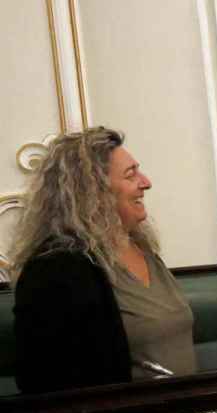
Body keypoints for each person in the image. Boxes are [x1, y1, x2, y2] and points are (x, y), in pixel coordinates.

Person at [12, 127, 197, 391]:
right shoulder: (54, 270)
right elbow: (47, 383)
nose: (146, 182)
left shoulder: (142, 248)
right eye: (131, 174)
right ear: (93, 191)